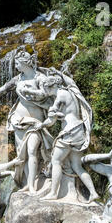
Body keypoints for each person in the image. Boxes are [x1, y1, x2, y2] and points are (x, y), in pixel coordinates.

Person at [0, 51, 53, 195]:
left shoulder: (40, 79)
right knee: (22, 154)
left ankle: (32, 185)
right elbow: (1, 90)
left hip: (35, 121)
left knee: (32, 151)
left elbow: (46, 94)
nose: (16, 66)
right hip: (18, 120)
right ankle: (25, 184)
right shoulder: (18, 79)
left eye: (17, 63)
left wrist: (29, 91)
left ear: (25, 63)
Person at [28, 75, 99, 203]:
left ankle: (53, 193)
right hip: (79, 131)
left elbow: (51, 120)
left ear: (52, 86)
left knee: (56, 160)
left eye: (46, 88)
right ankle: (93, 193)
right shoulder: (70, 92)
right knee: (77, 166)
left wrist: (41, 125)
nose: (45, 91)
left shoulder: (60, 95)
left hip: (70, 132)